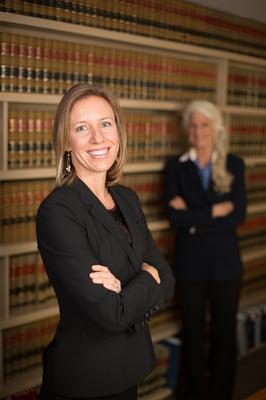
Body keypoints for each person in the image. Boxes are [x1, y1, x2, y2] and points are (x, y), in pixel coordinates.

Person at [36, 83, 175, 400]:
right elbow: (112, 313)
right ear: (66, 141)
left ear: (118, 131)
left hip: (131, 367)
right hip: (86, 379)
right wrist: (145, 276)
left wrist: (128, 288)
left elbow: (166, 278)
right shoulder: (58, 211)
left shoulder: (126, 199)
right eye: (82, 127)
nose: (98, 138)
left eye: (105, 123)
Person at [164, 100, 246, 400]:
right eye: (193, 125)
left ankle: (222, 392)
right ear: (188, 130)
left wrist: (193, 218)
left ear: (216, 128)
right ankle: (193, 393)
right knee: (192, 332)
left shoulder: (233, 164)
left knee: (224, 333)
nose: (198, 131)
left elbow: (238, 215)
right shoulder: (176, 166)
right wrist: (214, 212)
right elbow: (174, 217)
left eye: (204, 125)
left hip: (226, 265)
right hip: (190, 265)